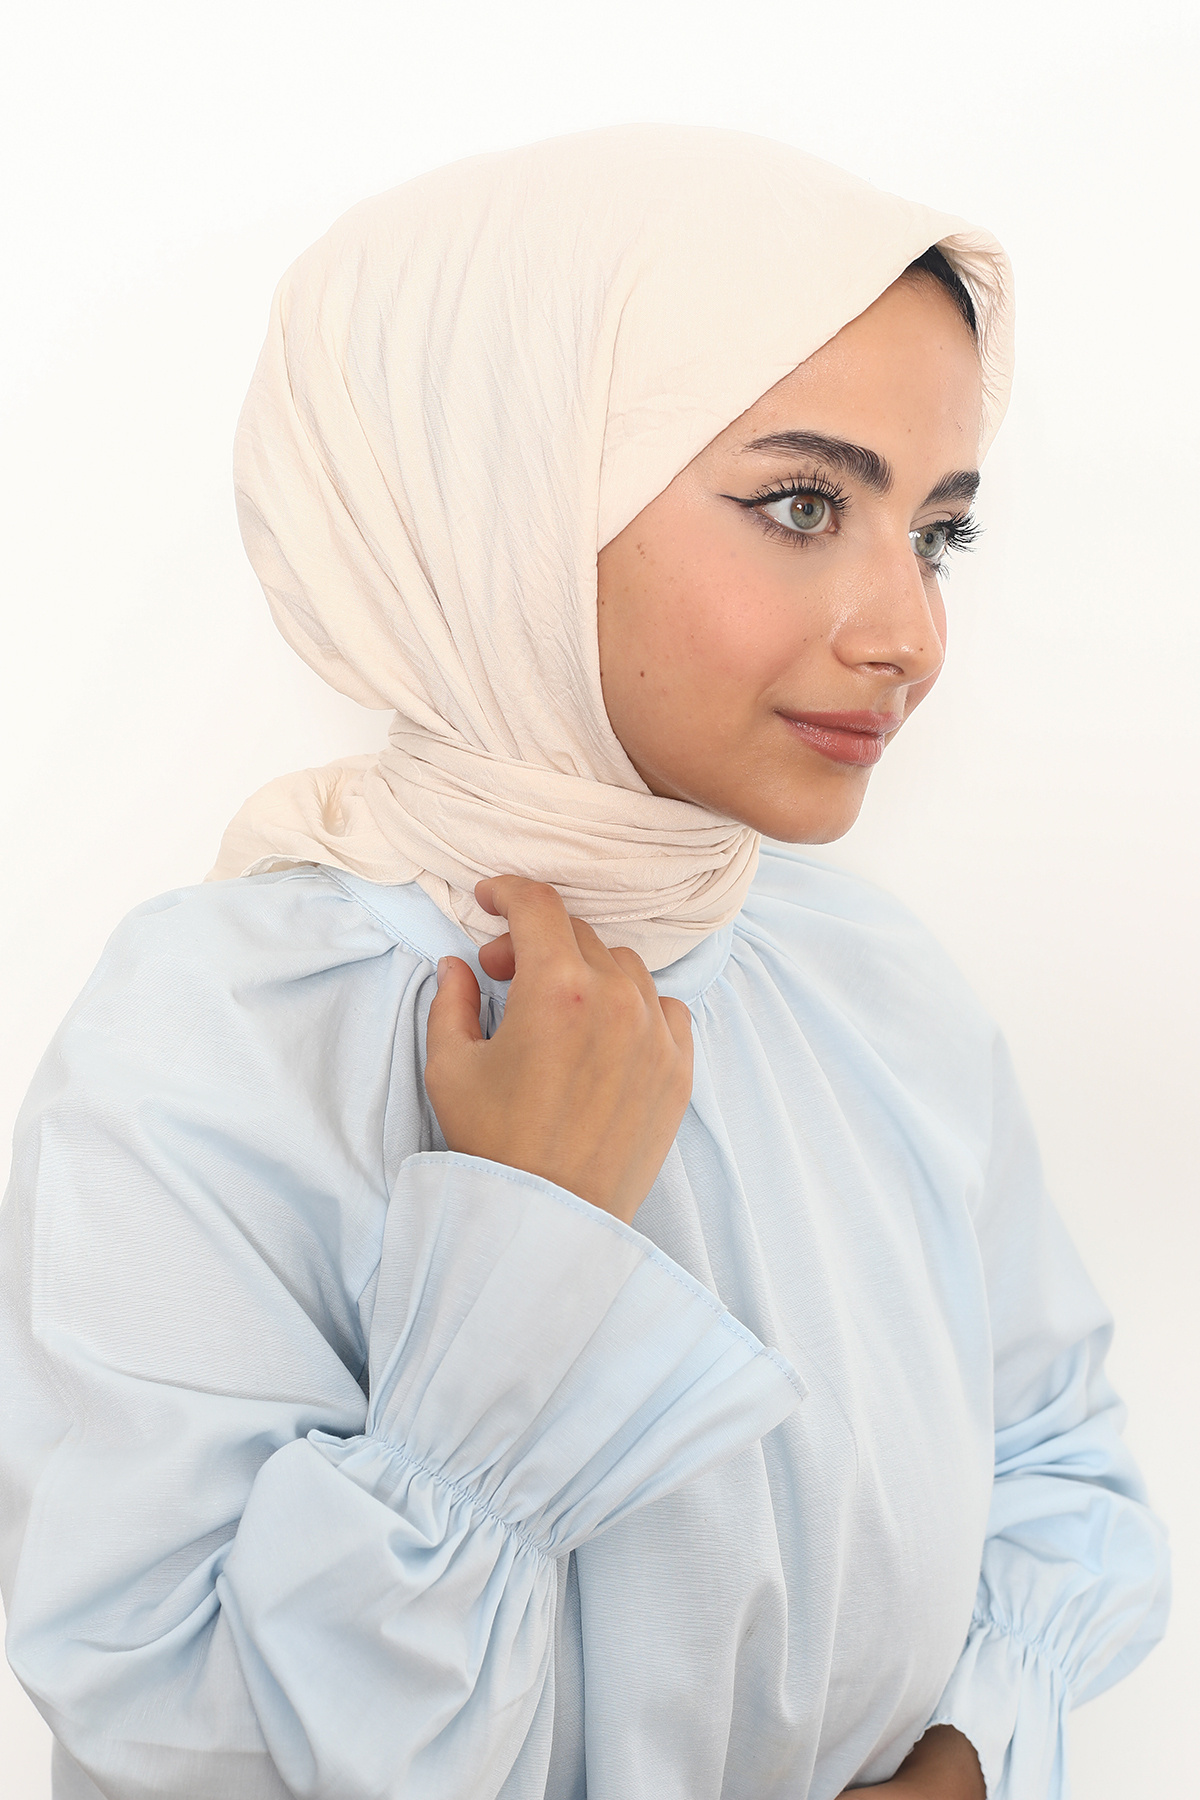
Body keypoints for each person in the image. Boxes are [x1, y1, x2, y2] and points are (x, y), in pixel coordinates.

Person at [0, 126, 1169, 1800]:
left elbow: (1056, 1462)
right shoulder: (214, 1043)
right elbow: (196, 1746)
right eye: (802, 505)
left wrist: (965, 1763)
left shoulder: (872, 984)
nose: (908, 633)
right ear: (508, 498)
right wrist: (527, 1233)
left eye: (936, 533)